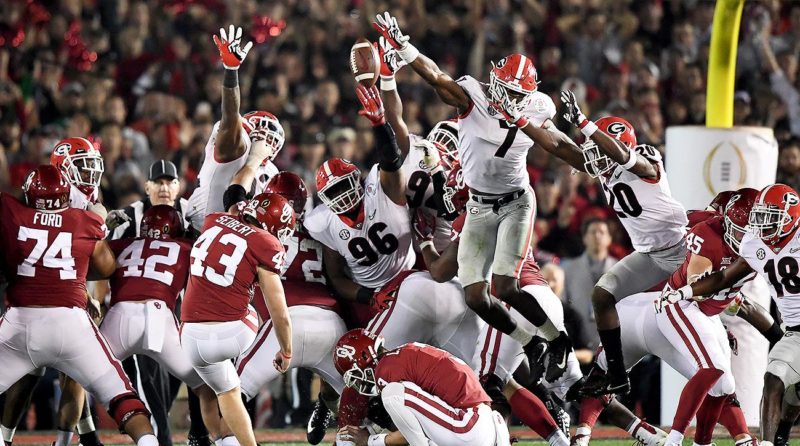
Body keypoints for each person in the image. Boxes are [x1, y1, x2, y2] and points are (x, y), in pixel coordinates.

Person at [372, 11, 571, 379]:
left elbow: (556, 143)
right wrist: (405, 48)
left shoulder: (539, 107)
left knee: (504, 288)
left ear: (528, 95)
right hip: (481, 204)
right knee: (476, 296)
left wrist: (588, 158)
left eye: (516, 94)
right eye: (504, 89)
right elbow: (437, 77)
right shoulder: (474, 98)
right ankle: (533, 341)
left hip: (515, 201)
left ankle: (555, 340)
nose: (507, 98)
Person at [492, 95, 688, 395]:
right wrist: (523, 121)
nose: (595, 158)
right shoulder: (605, 167)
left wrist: (586, 124)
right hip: (650, 255)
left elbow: (624, 157)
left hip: (682, 252)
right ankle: (615, 373)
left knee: (709, 314)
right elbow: (557, 146)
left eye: (600, 149)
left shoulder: (647, 158)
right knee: (602, 295)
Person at [0, 165, 157, 446]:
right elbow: (107, 267)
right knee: (122, 397)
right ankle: (147, 442)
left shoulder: (10, 212)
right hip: (71, 324)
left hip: (20, 324)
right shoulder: (84, 220)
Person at [659, 183, 800, 445]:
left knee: (784, 392)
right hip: (791, 330)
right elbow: (721, 280)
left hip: (780, 326)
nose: (761, 226)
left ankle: (764, 436)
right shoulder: (747, 242)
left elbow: (740, 301)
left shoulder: (774, 238)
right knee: (762, 378)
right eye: (761, 217)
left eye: (771, 218)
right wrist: (686, 291)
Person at [2, 137, 108, 446]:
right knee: (52, 372)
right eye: (83, 166)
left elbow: (93, 253)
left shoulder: (83, 196)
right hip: (51, 289)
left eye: (92, 165)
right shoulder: (62, 197)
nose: (90, 174)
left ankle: (84, 437)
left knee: (68, 372)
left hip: (63, 287)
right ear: (63, 167)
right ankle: (71, 440)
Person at [230, 172, 346, 445]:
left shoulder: (258, 231)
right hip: (330, 321)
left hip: (283, 322)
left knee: (230, 393)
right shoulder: (321, 227)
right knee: (358, 415)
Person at [180, 192, 295, 446]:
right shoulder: (266, 243)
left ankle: (225, 442)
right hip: (231, 334)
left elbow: (234, 201)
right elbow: (280, 313)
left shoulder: (213, 220)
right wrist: (286, 351)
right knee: (253, 309)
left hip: (189, 336)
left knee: (224, 389)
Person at [101, 205, 222, 443]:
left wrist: (102, 230)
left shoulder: (123, 244)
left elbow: (89, 259)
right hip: (160, 317)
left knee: (78, 376)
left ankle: (73, 436)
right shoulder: (186, 248)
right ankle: (224, 439)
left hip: (120, 316)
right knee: (205, 385)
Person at [652, 188, 760, 446]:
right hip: (684, 302)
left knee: (724, 386)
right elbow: (697, 285)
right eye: (738, 230)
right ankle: (674, 440)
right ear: (726, 221)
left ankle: (705, 442)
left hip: (710, 313)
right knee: (713, 368)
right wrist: (702, 286)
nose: (744, 238)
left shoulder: (761, 244)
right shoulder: (709, 233)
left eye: (750, 232)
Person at [334, 329, 510, 446]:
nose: (360, 384)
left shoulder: (386, 369)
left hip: (467, 428)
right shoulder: (404, 356)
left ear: (366, 358)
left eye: (357, 376)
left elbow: (408, 433)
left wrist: (371, 440)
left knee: (391, 394)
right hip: (485, 427)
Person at [186, 24, 284, 232]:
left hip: (238, 238)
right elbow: (231, 116)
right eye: (262, 133)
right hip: (201, 234)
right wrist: (231, 72)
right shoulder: (237, 144)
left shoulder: (272, 171)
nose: (265, 140)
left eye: (270, 138)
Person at [561, 218, 619, 352]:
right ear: (584, 238)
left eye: (602, 232)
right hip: (578, 342)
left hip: (613, 338)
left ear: (609, 238)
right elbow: (564, 307)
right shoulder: (568, 269)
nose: (597, 236)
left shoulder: (620, 269)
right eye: (593, 232)